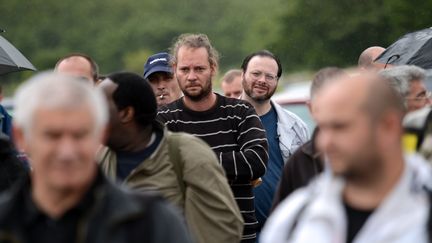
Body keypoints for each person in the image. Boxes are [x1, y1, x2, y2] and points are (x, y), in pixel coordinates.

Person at [0, 72, 193, 243]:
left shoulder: (152, 223)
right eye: (53, 135)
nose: (67, 151)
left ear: (100, 135)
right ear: (21, 137)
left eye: (79, 135)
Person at [261, 70, 432, 243]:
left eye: (340, 127)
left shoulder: (424, 210)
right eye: (323, 127)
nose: (325, 142)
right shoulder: (295, 217)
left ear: (389, 126)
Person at [97, 71, 243, 243]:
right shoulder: (100, 159)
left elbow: (223, 228)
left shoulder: (186, 153)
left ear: (126, 113)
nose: (90, 115)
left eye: (97, 107)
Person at [157, 33, 268, 243]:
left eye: (199, 69)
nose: (191, 76)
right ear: (174, 70)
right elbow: (161, 173)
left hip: (240, 235)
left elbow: (256, 162)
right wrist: (229, 164)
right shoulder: (163, 120)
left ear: (213, 68)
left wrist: (189, 162)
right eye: (184, 69)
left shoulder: (241, 112)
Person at [239, 50, 309, 233]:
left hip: (283, 231)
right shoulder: (222, 122)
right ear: (242, 75)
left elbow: (307, 182)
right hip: (235, 231)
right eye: (256, 73)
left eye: (270, 76)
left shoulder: (296, 127)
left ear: (277, 81)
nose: (262, 80)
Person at [272, 67, 346, 209]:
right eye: (325, 107)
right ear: (311, 108)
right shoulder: (298, 161)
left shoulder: (375, 155)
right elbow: (282, 219)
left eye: (343, 105)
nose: (334, 115)